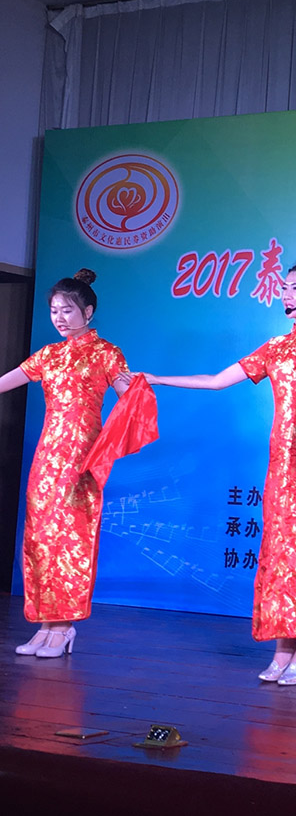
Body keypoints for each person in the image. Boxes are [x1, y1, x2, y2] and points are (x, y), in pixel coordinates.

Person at [125, 264, 296, 685]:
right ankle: (282, 648)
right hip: (283, 464)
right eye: (284, 287)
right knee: (278, 554)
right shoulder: (275, 347)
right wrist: (156, 379)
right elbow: (217, 381)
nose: (287, 294)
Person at [0, 269, 130, 658]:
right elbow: (6, 381)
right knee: (41, 537)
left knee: (72, 538)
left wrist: (108, 444)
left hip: (81, 459)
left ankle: (64, 626)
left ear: (87, 312)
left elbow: (132, 399)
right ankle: (45, 624)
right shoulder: (48, 355)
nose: (59, 318)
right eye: (54, 310)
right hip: (47, 459)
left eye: (68, 310)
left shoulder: (106, 353)